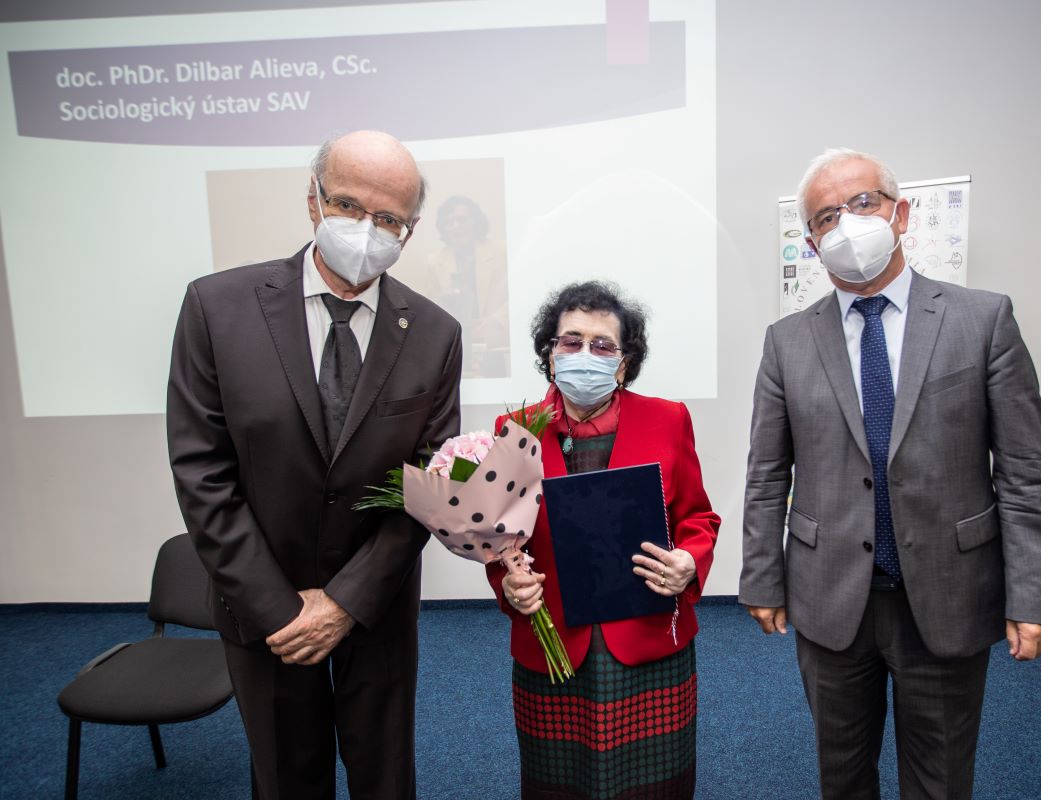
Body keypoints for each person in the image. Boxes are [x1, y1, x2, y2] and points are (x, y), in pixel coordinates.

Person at [739, 147, 1041, 799]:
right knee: (842, 776)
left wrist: (1036, 593)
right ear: (812, 244)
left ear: (902, 213)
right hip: (829, 596)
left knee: (940, 780)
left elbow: (1025, 473)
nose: (847, 223)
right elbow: (767, 475)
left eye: (863, 203)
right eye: (826, 216)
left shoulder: (983, 320)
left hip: (947, 590)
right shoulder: (786, 342)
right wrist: (761, 578)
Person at [167, 130, 462, 800]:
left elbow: (430, 481)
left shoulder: (436, 332)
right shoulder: (217, 307)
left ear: (409, 231)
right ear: (313, 200)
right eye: (348, 205)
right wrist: (277, 609)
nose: (366, 229)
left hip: (377, 605)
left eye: (388, 219)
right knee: (287, 778)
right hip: (263, 608)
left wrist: (347, 602)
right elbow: (202, 473)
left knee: (385, 778)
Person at [490, 281, 720, 799]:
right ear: (550, 354)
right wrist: (508, 583)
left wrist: (689, 559)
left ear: (622, 363)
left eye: (602, 345)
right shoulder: (515, 430)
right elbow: (498, 538)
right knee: (558, 785)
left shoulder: (668, 419)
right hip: (553, 642)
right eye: (571, 341)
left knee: (652, 788)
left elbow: (697, 517)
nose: (584, 354)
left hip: (647, 639)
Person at [409, 194, 510, 377]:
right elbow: (431, 306)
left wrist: (494, 321)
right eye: (449, 222)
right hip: (459, 344)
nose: (456, 226)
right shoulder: (435, 262)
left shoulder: (501, 251)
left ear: (475, 222)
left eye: (462, 219)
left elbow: (516, 296)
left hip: (497, 340)